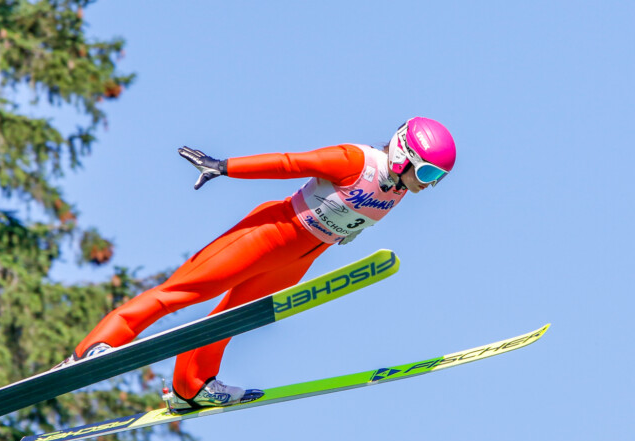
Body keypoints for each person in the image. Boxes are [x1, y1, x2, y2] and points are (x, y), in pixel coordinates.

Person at [56, 117, 457, 409]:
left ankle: (190, 388)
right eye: (426, 171)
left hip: (300, 258)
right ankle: (94, 348)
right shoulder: (355, 161)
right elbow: (289, 163)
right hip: (270, 233)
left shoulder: (397, 189)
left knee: (233, 320)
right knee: (183, 292)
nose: (427, 184)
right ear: (402, 155)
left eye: (436, 178)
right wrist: (223, 167)